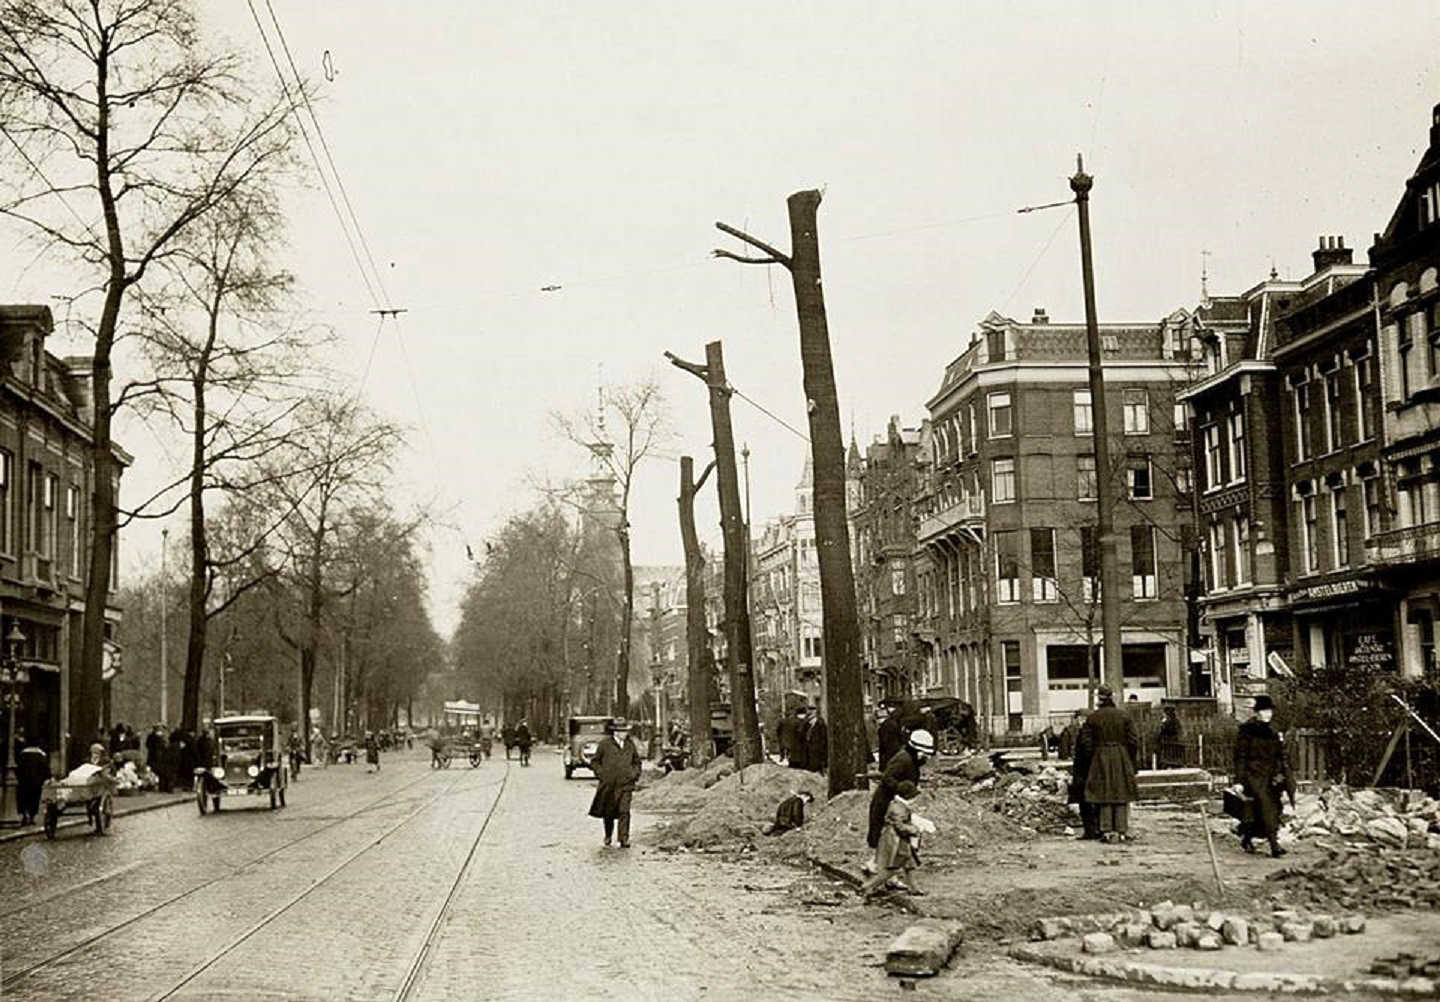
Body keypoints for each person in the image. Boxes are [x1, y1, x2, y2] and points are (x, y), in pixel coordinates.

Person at [1232, 694, 1294, 858]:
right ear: (1257, 712)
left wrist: (1282, 773)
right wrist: (1238, 781)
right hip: (1253, 775)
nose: (1268, 714)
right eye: (1264, 711)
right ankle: (1274, 845)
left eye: (1269, 711)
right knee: (1267, 807)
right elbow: (1240, 757)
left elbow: (1280, 755)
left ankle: (1246, 837)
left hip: (1271, 776)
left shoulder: (1273, 731)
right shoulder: (1247, 730)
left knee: (1268, 809)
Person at [863, 728, 933, 875]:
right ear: (917, 750)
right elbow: (887, 777)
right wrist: (900, 789)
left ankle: (881, 868)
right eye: (925, 754)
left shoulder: (910, 760)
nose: (926, 758)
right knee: (887, 837)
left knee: (892, 839)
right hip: (887, 802)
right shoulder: (904, 759)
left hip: (896, 802)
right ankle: (878, 869)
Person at [1077, 686, 1139, 843]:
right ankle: (1121, 829)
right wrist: (1129, 758)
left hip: (1101, 756)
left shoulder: (1093, 718)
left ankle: (1106, 830)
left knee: (1103, 793)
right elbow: (1133, 741)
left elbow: (1085, 743)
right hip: (1121, 755)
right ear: (1113, 697)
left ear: (1099, 699)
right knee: (1121, 792)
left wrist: (1093, 757)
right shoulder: (1124, 716)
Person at [859, 780, 924, 898]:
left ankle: (914, 887)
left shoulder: (898, 805)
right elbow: (900, 826)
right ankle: (868, 886)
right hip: (895, 840)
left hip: (898, 839)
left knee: (910, 863)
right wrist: (914, 830)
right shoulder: (898, 808)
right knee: (891, 868)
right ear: (907, 796)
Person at [588, 718, 642, 848]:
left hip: (626, 784)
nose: (626, 734)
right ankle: (608, 835)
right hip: (609, 784)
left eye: (626, 731)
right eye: (623, 731)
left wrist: (634, 774)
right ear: (616, 732)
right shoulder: (605, 745)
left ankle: (623, 839)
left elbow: (637, 762)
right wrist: (602, 774)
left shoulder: (630, 745)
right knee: (609, 812)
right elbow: (595, 762)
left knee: (624, 811)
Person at [1067, 711, 1100, 840]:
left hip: (1084, 771)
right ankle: (1095, 828)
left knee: (1085, 802)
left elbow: (1086, 750)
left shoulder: (1086, 730)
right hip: (1091, 771)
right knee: (1092, 801)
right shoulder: (1094, 730)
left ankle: (1090, 831)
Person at [16, 738, 48, 825]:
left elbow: (18, 768)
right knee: (34, 798)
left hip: (23, 781)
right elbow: (45, 769)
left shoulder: (22, 755)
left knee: (23, 798)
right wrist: (46, 778)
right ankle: (32, 816)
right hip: (36, 782)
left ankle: (24, 814)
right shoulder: (41, 755)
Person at [876, 702, 905, 770]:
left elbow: (884, 743)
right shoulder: (893, 723)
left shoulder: (885, 726)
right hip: (895, 749)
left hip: (889, 752)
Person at [803, 706, 828, 775]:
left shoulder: (820, 723)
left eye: (812, 711)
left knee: (816, 765)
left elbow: (823, 736)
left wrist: (822, 746)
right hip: (809, 747)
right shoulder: (806, 723)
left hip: (817, 747)